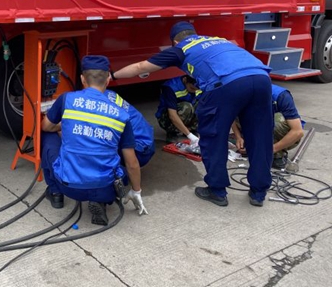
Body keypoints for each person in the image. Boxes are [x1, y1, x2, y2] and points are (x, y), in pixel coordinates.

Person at [112, 21, 273, 207]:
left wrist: (113, 76)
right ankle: (258, 193)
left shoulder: (181, 49)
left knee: (213, 137)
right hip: (262, 79)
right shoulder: (219, 40)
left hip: (226, 84)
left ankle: (217, 190)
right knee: (260, 136)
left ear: (175, 41)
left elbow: (141, 67)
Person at [41, 55, 148, 226]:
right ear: (108, 79)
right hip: (105, 188)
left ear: (82, 79)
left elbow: (46, 126)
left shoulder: (67, 99)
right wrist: (136, 191)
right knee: (119, 169)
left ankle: (55, 193)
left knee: (47, 134)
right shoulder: (121, 115)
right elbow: (132, 163)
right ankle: (100, 201)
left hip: (68, 186)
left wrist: (64, 126)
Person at [233, 84, 304, 170]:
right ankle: (251, 143)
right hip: (258, 124)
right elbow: (231, 117)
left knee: (276, 122)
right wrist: (238, 137)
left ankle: (277, 153)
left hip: (276, 128)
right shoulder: (240, 94)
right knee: (241, 116)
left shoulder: (281, 96)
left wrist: (273, 149)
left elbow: (297, 132)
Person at [155, 75, 200, 144]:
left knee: (202, 104)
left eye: (196, 89)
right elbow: (172, 115)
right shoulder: (171, 87)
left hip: (187, 114)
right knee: (186, 107)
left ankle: (191, 129)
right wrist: (190, 136)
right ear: (185, 80)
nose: (194, 91)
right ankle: (173, 132)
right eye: (191, 88)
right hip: (166, 118)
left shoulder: (200, 85)